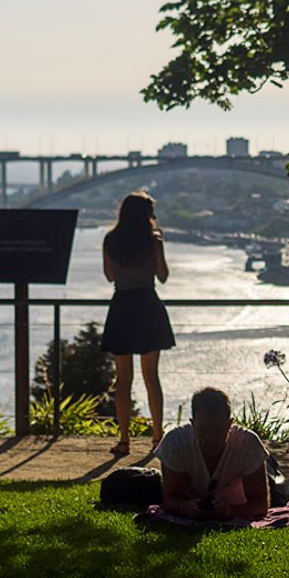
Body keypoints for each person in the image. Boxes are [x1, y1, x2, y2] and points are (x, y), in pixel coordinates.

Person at [100, 191, 174, 456]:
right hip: (147, 306)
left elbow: (109, 276)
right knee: (151, 377)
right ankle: (157, 438)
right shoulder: (153, 240)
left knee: (123, 380)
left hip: (122, 306)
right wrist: (159, 247)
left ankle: (124, 440)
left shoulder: (111, 240)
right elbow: (163, 276)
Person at [156, 387, 269, 520]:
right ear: (192, 424)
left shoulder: (248, 445)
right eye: (203, 431)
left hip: (239, 495)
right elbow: (170, 498)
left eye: (217, 431)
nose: (210, 439)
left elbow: (261, 504)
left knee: (277, 488)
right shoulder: (175, 444)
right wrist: (183, 507)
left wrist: (233, 510)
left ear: (229, 425)